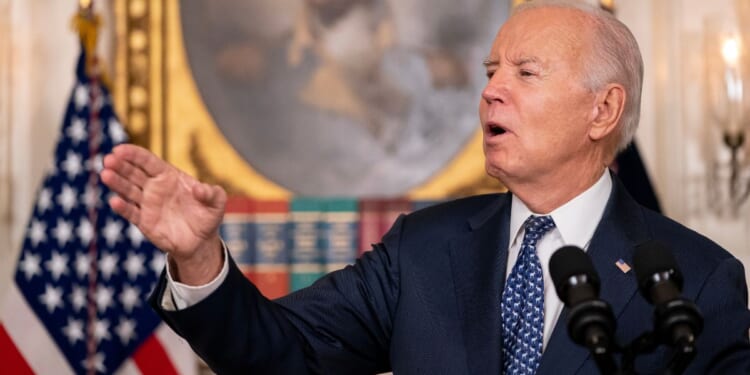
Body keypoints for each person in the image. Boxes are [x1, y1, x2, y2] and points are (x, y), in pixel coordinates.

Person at [100, 0, 750, 373]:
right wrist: (198, 256)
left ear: (602, 110)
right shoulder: (423, 249)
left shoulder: (696, 280)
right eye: (492, 69)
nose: (492, 88)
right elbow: (281, 355)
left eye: (526, 72)